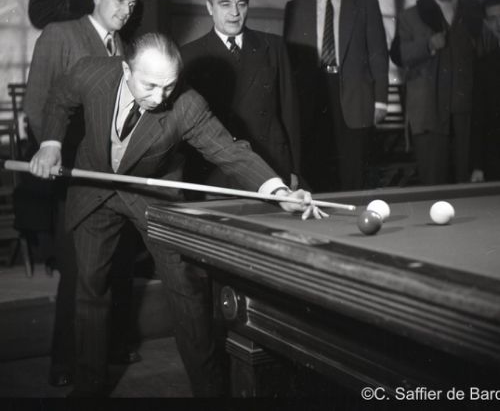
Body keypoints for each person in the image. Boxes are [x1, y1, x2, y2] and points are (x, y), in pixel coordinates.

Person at [29, 32, 326, 397]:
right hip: (95, 190)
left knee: (186, 292)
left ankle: (210, 392)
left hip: (154, 197)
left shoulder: (187, 105)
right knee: (90, 289)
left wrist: (278, 192)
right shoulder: (91, 72)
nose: (159, 98)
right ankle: (89, 390)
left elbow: (230, 152)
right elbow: (60, 97)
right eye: (150, 86)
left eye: (168, 86)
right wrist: (50, 144)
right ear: (126, 70)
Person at [24, 0, 139, 388]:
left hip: (113, 174)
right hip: (71, 172)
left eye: (131, 5)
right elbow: (38, 103)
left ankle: (110, 348)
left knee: (114, 264)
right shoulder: (60, 34)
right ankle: (65, 362)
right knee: (76, 268)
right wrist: (53, 151)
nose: (126, 10)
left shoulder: (126, 48)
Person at [181, 0, 300, 190]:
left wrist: (295, 170)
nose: (235, 13)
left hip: (272, 164)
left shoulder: (273, 46)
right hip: (217, 171)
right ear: (210, 7)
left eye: (241, 4)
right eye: (225, 4)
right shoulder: (189, 55)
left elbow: (290, 114)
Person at [284, 0, 388, 192]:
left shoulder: (366, 4)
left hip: (354, 95)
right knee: (316, 166)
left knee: (353, 169)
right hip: (312, 96)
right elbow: (290, 62)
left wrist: (381, 101)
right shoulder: (296, 7)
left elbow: (378, 55)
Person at [394, 0, 483, 185]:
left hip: (465, 108)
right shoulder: (410, 16)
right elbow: (398, 55)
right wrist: (427, 45)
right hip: (428, 108)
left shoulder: (473, 12)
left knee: (466, 177)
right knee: (432, 177)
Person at [470, 0, 500, 183]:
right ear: (486, 24)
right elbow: (479, 118)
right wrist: (477, 166)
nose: (499, 25)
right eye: (492, 19)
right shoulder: (485, 65)